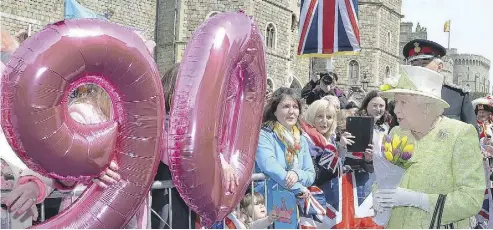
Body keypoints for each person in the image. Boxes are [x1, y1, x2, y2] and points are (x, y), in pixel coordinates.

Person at [375, 65, 485, 228]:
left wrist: (418, 200)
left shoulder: (460, 134)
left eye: (403, 102)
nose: (396, 109)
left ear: (426, 106)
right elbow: (383, 178)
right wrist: (379, 197)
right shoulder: (397, 133)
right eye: (396, 102)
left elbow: (471, 199)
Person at [255, 87, 315, 213]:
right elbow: (270, 166)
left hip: (291, 205)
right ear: (275, 111)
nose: (291, 111)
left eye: (295, 107)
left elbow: (310, 173)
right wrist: (298, 187)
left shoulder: (301, 139)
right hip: (267, 202)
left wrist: (297, 174)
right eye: (286, 106)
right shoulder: (264, 135)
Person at [299, 99, 354, 228]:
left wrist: (341, 149)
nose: (325, 121)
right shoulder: (305, 139)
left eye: (329, 117)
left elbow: (337, 172)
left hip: (330, 203)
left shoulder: (330, 139)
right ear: (311, 117)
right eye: (319, 116)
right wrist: (334, 152)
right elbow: (316, 177)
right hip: (311, 204)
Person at [402, 39, 477, 131]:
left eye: (424, 64)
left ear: (440, 67)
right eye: (415, 65)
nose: (419, 69)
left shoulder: (458, 97)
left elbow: (472, 136)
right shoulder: (403, 97)